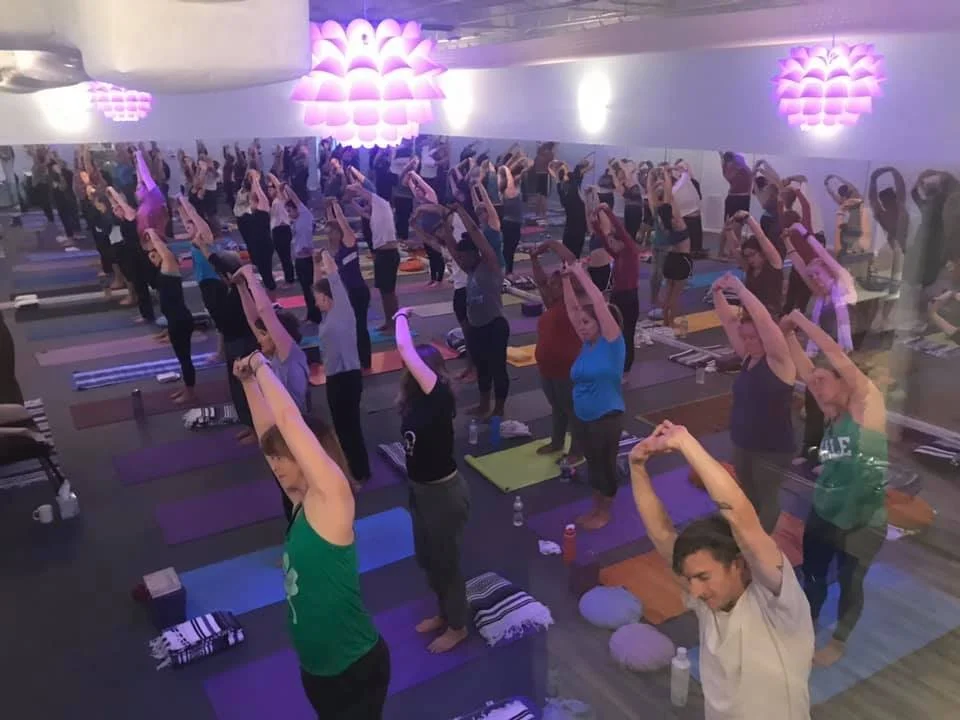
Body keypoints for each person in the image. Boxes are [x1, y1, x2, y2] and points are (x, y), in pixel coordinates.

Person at [233, 351, 389, 717]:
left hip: (354, 668)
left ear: (308, 456)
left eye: (282, 457)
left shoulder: (331, 501)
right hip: (317, 669)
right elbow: (269, 435)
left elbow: (288, 421)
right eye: (272, 459)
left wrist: (261, 366)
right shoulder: (301, 502)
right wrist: (247, 386)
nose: (274, 465)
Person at [629, 423, 814, 719]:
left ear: (738, 565)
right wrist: (637, 467)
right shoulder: (709, 602)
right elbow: (663, 535)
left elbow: (741, 519)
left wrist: (685, 443)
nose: (695, 591)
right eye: (691, 579)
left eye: (703, 577)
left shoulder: (776, 602)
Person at [781, 308, 887, 667]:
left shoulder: (865, 407)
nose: (816, 387)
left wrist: (799, 320)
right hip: (826, 509)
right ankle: (806, 625)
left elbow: (835, 355)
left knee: (849, 583)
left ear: (845, 381)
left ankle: (838, 642)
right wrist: (788, 335)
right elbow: (808, 370)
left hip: (862, 520)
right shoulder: (832, 409)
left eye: (825, 380)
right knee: (812, 573)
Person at [393, 308, 471, 653]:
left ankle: (458, 625)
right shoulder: (413, 402)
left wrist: (399, 316)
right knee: (427, 558)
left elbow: (405, 349)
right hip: (420, 491)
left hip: (443, 493)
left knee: (447, 562)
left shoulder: (438, 397)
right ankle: (443, 613)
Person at [713, 273, 796, 532]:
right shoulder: (749, 356)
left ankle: (761, 549)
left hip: (771, 449)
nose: (748, 342)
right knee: (748, 496)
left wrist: (740, 289)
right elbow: (729, 322)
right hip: (743, 443)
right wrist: (717, 294)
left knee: (766, 499)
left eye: (754, 338)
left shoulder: (779, 361)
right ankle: (749, 538)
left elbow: (763, 320)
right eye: (745, 337)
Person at [784, 230, 858, 461]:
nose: (814, 280)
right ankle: (811, 451)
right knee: (814, 405)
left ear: (830, 273)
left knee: (837, 410)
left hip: (842, 361)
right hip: (821, 360)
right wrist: (787, 240)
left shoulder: (844, 291)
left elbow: (829, 261)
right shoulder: (820, 300)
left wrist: (803, 232)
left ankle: (835, 459)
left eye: (818, 275)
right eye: (812, 277)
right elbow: (798, 265)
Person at [562, 261, 625, 530]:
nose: (583, 326)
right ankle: (595, 506)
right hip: (583, 416)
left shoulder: (612, 343)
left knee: (604, 465)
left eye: (588, 323)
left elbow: (598, 302)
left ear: (600, 323)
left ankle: (605, 511)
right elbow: (572, 310)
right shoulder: (586, 345)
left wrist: (579, 273)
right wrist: (566, 279)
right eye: (581, 323)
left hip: (606, 416)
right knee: (593, 464)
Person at [439, 204, 510, 419]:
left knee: (498, 369)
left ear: (473, 253)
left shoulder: (490, 264)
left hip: (495, 325)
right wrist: (445, 221)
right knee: (483, 368)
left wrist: (461, 211)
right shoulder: (469, 269)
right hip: (476, 327)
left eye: (463, 257)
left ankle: (498, 409)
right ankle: (483, 404)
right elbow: (451, 247)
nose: (460, 261)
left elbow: (476, 234)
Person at [313, 249, 371, 487]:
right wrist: (316, 264)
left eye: (317, 297)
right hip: (336, 378)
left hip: (346, 378)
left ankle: (358, 473)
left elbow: (334, 278)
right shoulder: (327, 316)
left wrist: (325, 255)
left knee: (349, 428)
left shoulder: (342, 311)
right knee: (342, 426)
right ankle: (352, 469)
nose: (315, 301)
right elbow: (319, 285)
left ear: (327, 298)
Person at [529, 240, 584, 466]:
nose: (550, 285)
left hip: (567, 369)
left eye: (555, 283)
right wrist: (533, 258)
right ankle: (557, 442)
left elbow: (571, 261)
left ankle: (577, 450)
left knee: (572, 411)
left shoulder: (575, 304)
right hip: (547, 369)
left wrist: (552, 243)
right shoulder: (551, 303)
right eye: (550, 283)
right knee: (557, 408)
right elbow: (541, 281)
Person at [144, 229, 196, 405]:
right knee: (182, 358)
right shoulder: (162, 270)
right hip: (175, 320)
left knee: (185, 358)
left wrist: (151, 232)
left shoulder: (170, 266)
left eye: (154, 255)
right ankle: (186, 386)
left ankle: (190, 392)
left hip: (181, 321)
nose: (151, 258)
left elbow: (163, 250)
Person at [345, 181, 400, 333]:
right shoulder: (375, 214)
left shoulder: (382, 205)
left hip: (388, 255)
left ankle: (395, 321)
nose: (365, 206)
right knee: (384, 291)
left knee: (389, 292)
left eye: (367, 203)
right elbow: (362, 212)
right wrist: (350, 201)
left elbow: (363, 192)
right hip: (382, 254)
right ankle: (389, 320)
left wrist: (352, 187)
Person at [325, 198, 372, 370]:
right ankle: (355, 358)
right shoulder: (335, 249)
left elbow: (342, 223)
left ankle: (365, 362)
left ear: (339, 232)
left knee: (359, 327)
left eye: (332, 232)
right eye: (327, 233)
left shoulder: (349, 243)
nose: (329, 235)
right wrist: (329, 209)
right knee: (350, 328)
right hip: (346, 293)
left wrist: (336, 205)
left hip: (358, 292)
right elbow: (332, 224)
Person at [595, 202, 640, 373]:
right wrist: (595, 224)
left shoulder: (631, 250)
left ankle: (626, 368)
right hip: (617, 297)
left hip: (629, 298)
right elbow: (605, 243)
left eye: (615, 241)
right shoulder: (618, 254)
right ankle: (614, 362)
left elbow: (621, 231)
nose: (612, 244)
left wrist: (607, 211)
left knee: (627, 334)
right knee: (612, 332)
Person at [648, 166, 692, 331]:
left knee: (668, 292)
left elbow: (653, 197)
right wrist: (667, 173)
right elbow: (670, 195)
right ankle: (670, 322)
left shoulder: (660, 217)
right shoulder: (678, 221)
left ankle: (666, 321)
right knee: (675, 295)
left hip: (671, 260)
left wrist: (653, 179)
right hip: (682, 260)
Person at [732, 210, 785, 317]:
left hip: (770, 316)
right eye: (747, 256)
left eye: (752, 254)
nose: (750, 259)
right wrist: (728, 229)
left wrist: (749, 219)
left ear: (762, 253)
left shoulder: (774, 265)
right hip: (750, 313)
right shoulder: (750, 269)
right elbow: (735, 249)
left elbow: (762, 238)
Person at [867, 166, 909, 292]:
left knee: (890, 291)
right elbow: (873, 199)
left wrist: (892, 172)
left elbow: (873, 199)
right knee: (888, 291)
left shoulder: (896, 212)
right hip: (891, 253)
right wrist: (892, 171)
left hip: (896, 252)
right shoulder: (891, 213)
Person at [825, 175, 870, 256]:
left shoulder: (846, 200)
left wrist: (827, 185)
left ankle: (854, 252)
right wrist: (836, 177)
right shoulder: (855, 195)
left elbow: (833, 195)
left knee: (853, 239)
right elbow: (847, 185)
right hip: (859, 219)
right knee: (857, 240)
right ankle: (856, 252)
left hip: (855, 220)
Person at [554, 158, 590, 259]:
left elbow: (557, 178)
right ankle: (572, 268)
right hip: (576, 226)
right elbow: (561, 177)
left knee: (568, 251)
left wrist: (561, 166)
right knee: (574, 252)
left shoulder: (562, 190)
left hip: (572, 226)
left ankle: (568, 268)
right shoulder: (571, 188)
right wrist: (563, 164)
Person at [266, 174, 296, 286]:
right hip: (277, 230)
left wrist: (271, 176)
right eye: (268, 189)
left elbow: (279, 187)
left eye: (271, 188)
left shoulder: (281, 198)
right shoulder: (274, 201)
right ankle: (289, 278)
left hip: (282, 230)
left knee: (285, 257)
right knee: (283, 257)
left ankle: (290, 280)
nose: (269, 191)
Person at [673, 160, 705, 259]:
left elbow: (698, 197)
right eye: (678, 167)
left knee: (695, 235)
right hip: (684, 215)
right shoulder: (675, 186)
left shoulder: (692, 182)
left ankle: (696, 250)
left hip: (693, 214)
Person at [720, 151, 753, 221]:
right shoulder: (732, 170)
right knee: (730, 223)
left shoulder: (742, 169)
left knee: (736, 223)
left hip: (741, 198)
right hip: (736, 198)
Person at [533, 142, 556, 224]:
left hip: (538, 174)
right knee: (543, 196)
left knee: (539, 194)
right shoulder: (548, 154)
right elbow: (552, 164)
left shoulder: (538, 155)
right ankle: (544, 216)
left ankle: (537, 214)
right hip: (544, 175)